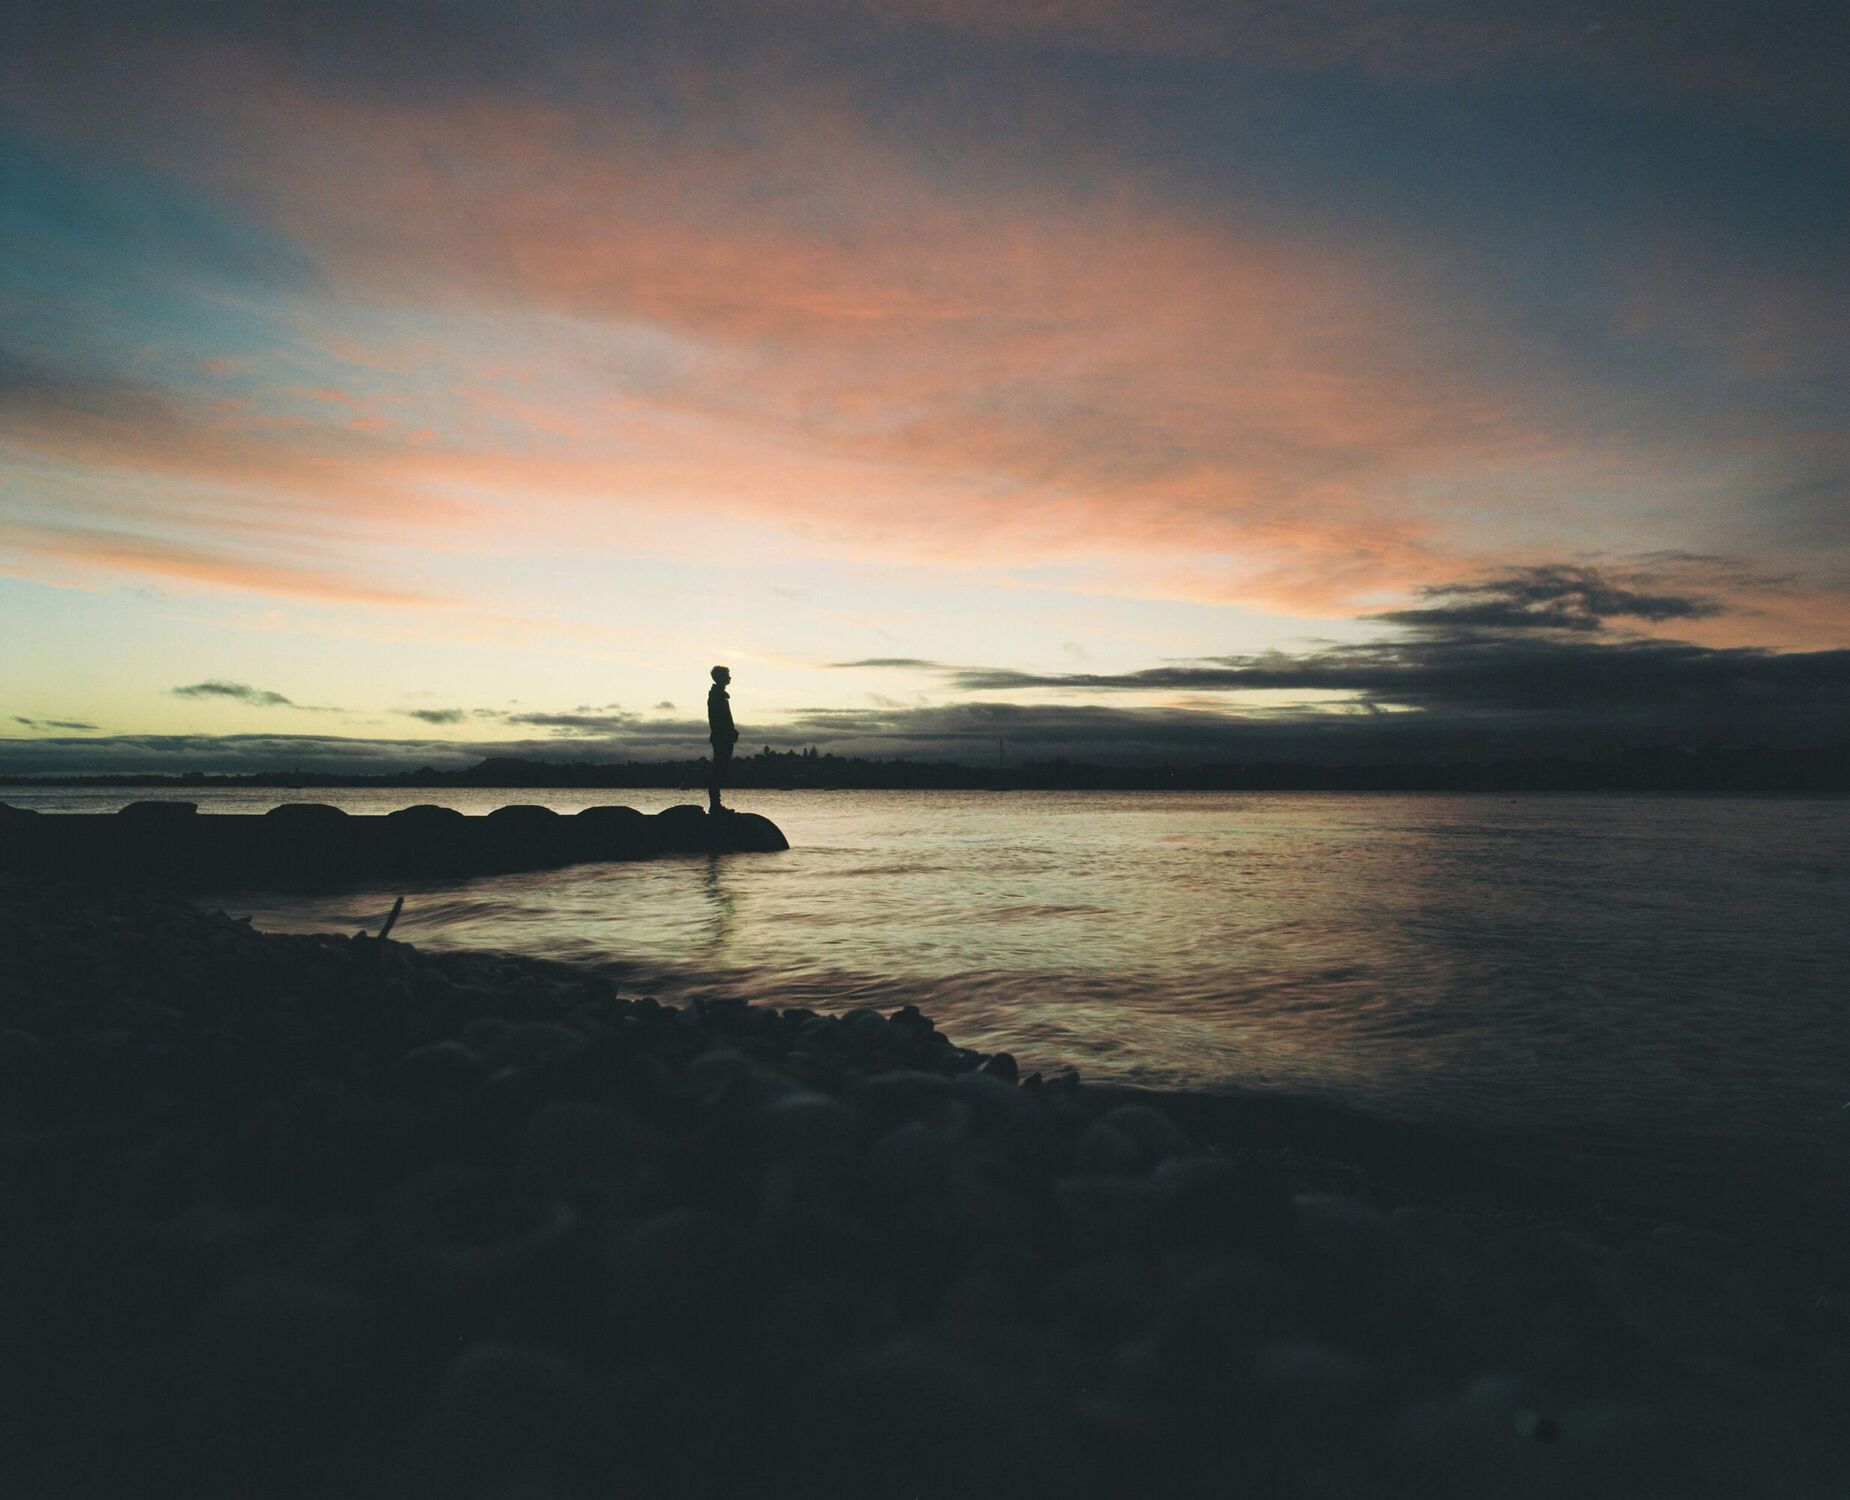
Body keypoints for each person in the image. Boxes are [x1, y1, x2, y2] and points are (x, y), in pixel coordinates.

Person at [707, 665, 739, 813]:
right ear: (720, 677)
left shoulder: (719, 695)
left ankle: (716, 804)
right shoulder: (716, 696)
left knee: (720, 770)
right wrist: (728, 733)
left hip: (723, 737)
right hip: (721, 738)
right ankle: (715, 805)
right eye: (727, 675)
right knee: (718, 771)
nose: (730, 677)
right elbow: (719, 720)